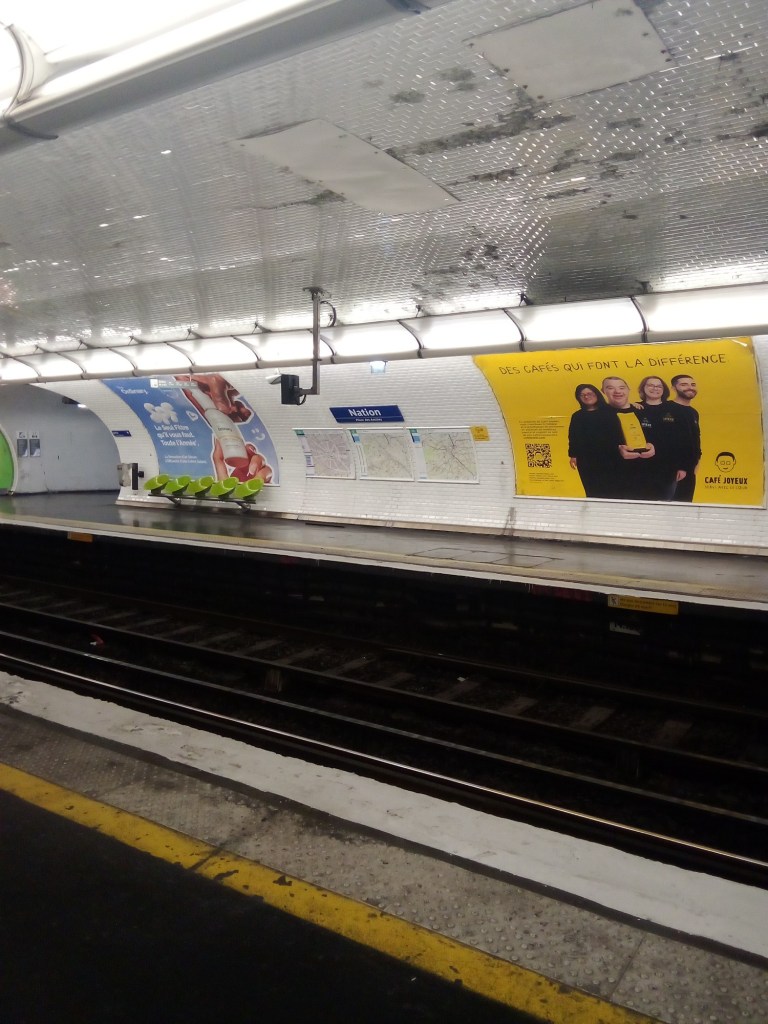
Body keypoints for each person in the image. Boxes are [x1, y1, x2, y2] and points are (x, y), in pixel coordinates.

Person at [600, 376, 657, 500]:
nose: (617, 391)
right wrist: (616, 450)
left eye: (621, 387)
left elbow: (659, 436)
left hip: (648, 477)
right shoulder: (598, 415)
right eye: (610, 388)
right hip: (614, 478)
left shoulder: (644, 411)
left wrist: (654, 447)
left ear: (628, 389)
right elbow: (593, 445)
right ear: (603, 391)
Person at [634, 376, 688, 500]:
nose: (655, 388)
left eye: (659, 386)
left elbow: (683, 440)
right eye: (650, 385)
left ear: (664, 390)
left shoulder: (675, 409)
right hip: (639, 466)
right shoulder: (635, 408)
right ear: (643, 388)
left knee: (664, 504)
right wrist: (628, 406)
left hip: (668, 467)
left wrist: (683, 466)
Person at [567, 384, 619, 497]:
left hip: (611, 457)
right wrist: (573, 455)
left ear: (597, 394)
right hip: (586, 459)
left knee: (613, 488)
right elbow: (573, 437)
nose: (586, 396)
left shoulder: (611, 411)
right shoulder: (577, 416)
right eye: (582, 395)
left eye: (589, 393)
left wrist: (635, 405)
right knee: (592, 489)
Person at [670, 374, 701, 501]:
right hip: (672, 470)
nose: (690, 387)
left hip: (690, 469)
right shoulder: (666, 407)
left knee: (685, 504)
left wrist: (697, 460)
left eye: (692, 384)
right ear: (674, 388)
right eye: (684, 384)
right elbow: (667, 441)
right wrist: (679, 466)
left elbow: (695, 438)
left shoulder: (693, 412)